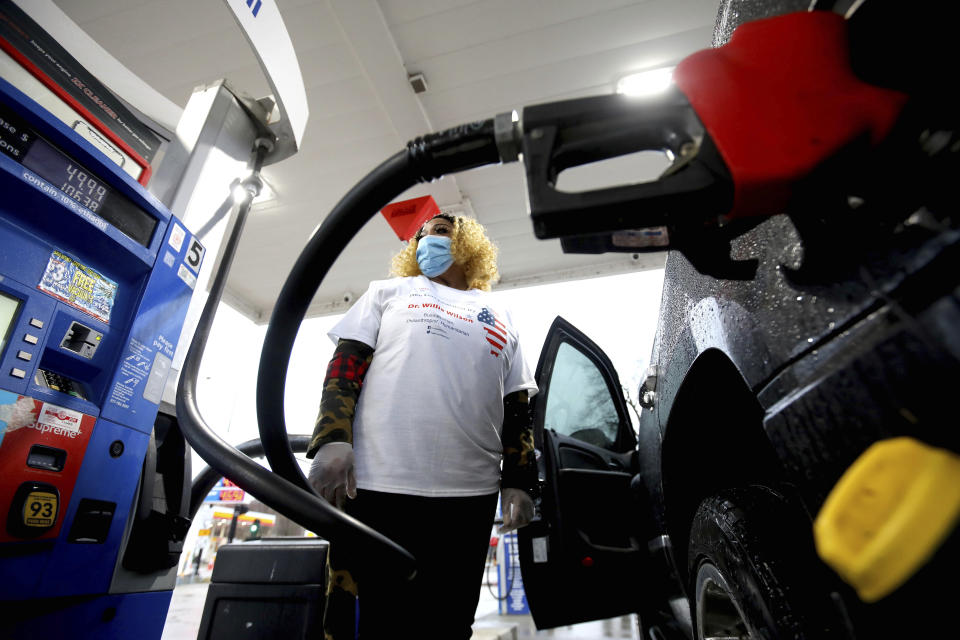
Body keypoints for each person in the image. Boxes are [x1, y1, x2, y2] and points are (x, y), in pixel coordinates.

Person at [306, 213, 539, 639]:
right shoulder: (388, 292)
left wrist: (521, 479)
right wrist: (333, 438)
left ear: (468, 245)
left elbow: (517, 403)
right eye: (422, 234)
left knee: (448, 624)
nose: (428, 239)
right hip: (377, 488)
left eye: (441, 231)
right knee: (367, 622)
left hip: (468, 497)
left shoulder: (500, 312)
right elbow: (344, 368)